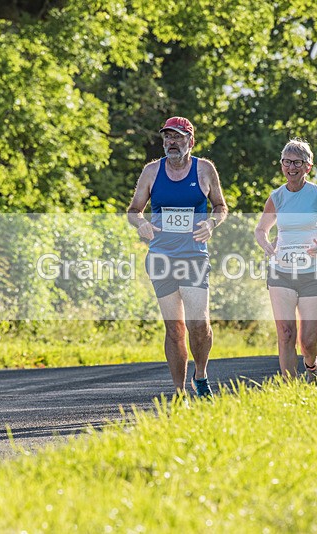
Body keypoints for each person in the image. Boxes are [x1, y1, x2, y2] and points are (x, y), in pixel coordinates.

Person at [127, 116, 228, 398]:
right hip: (161, 256)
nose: (172, 142)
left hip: (194, 255)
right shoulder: (151, 171)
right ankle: (179, 392)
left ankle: (201, 374)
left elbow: (220, 206)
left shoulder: (205, 170)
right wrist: (142, 224)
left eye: (178, 137)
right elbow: (133, 210)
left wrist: (211, 224)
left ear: (190, 142)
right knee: (175, 328)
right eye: (167, 137)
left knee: (199, 323)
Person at [254, 138, 317, 382]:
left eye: (297, 162)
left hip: (312, 273)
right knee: (285, 333)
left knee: (308, 340)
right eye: (287, 162)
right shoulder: (276, 196)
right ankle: (289, 389)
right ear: (282, 164)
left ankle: (311, 365)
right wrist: (266, 245)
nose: (291, 167)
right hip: (281, 272)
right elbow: (260, 230)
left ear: (308, 166)